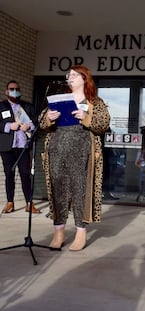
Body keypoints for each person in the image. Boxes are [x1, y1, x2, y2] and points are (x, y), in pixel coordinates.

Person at [40, 65, 110, 251]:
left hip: (82, 152)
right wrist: (49, 117)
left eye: (74, 75)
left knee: (80, 191)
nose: (70, 78)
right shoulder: (60, 99)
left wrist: (85, 116)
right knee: (58, 191)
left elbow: (103, 124)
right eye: (68, 75)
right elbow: (41, 122)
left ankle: (80, 232)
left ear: (84, 78)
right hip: (57, 150)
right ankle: (59, 233)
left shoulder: (95, 101)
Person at [0, 80, 41, 214]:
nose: (14, 91)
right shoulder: (1, 106)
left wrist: (29, 126)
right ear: (7, 91)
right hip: (7, 146)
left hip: (23, 146)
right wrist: (8, 126)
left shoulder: (27, 106)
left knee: (25, 174)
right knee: (9, 174)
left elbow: (36, 121)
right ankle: (10, 202)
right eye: (12, 89)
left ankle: (29, 203)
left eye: (17, 89)